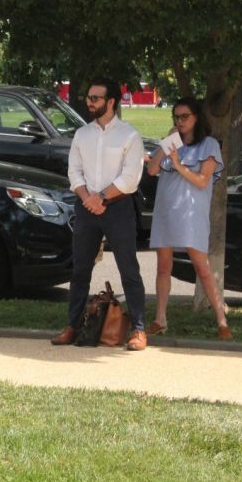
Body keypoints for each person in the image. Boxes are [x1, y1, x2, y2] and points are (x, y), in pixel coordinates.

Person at [51, 77, 148, 350]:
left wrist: (101, 197)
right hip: (86, 208)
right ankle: (72, 326)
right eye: (88, 98)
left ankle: (139, 330)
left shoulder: (129, 135)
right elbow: (74, 172)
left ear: (111, 102)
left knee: (129, 269)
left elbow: (131, 177)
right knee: (80, 269)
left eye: (95, 98)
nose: (89, 102)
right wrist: (87, 198)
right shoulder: (82, 134)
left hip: (118, 209)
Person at [146, 98, 231, 340]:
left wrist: (178, 165)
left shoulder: (209, 145)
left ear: (196, 118)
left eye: (185, 116)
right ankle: (160, 319)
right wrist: (166, 143)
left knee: (201, 267)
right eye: (176, 117)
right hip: (166, 211)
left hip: (191, 213)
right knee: (163, 267)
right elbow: (152, 170)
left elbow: (203, 181)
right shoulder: (170, 143)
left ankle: (221, 320)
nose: (180, 121)